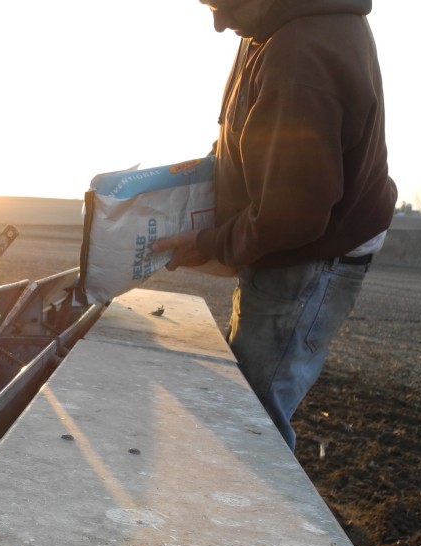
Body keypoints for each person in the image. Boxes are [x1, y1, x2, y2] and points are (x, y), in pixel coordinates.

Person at [150, 0, 397, 450]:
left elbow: (292, 216)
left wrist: (211, 242)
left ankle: (254, 515)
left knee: (252, 417)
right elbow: (251, 131)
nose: (219, 23)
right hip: (288, 245)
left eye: (226, 5)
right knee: (246, 397)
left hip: (309, 259)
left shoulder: (300, 54)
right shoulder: (269, 26)